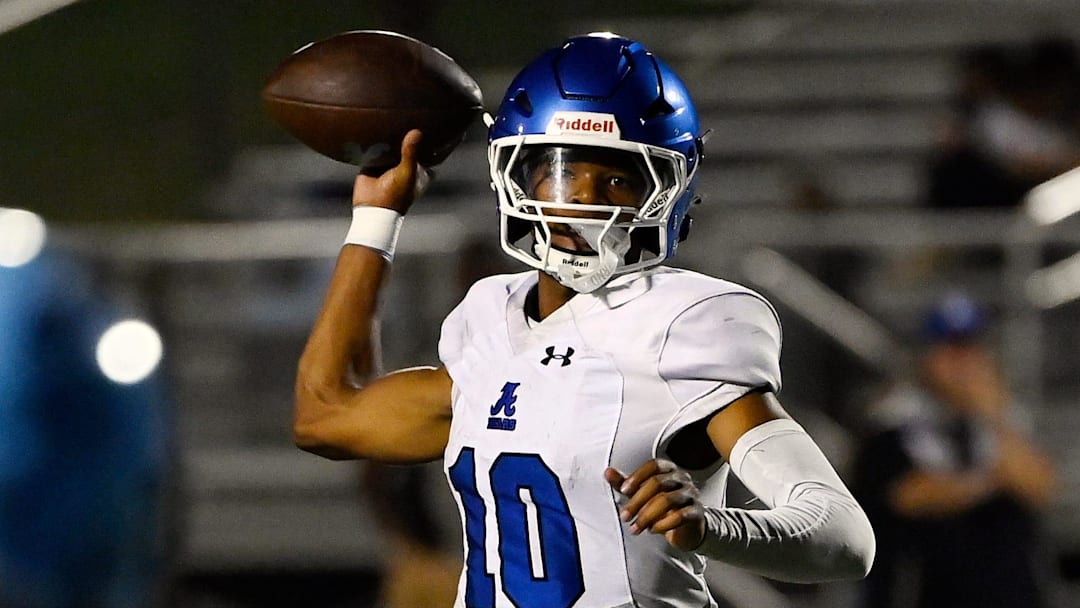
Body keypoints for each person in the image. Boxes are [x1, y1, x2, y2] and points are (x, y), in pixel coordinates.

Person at [294, 33, 875, 607]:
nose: (585, 201)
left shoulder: (680, 323)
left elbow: (845, 538)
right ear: (519, 174)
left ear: (668, 189)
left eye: (617, 178)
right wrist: (376, 219)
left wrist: (712, 526)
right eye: (565, 172)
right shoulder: (490, 321)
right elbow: (326, 415)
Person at [853, 293, 1057, 608]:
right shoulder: (892, 424)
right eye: (950, 349)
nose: (963, 363)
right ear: (925, 356)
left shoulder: (1003, 421)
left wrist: (993, 414)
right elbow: (911, 497)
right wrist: (992, 480)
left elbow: (1038, 485)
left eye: (970, 348)